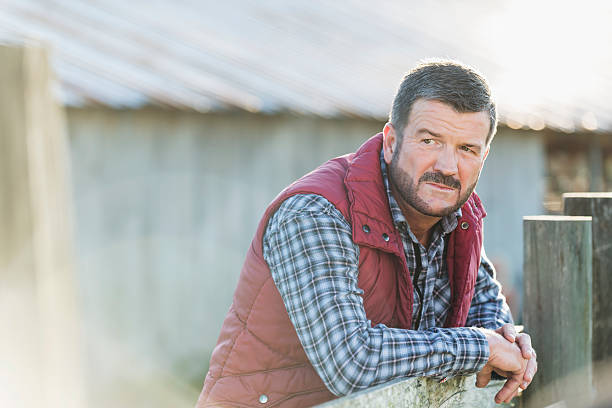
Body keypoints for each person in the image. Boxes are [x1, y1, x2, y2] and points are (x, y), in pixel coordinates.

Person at [196, 60, 537, 408]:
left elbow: (489, 318)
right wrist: (481, 347)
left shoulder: (455, 215)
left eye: (467, 149)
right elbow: (351, 362)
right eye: (430, 140)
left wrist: (511, 346)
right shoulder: (315, 213)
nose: (448, 167)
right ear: (391, 142)